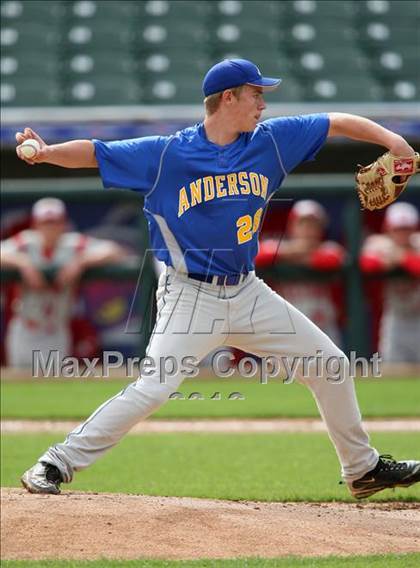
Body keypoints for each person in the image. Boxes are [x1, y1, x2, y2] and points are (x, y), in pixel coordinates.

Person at [16, 59, 419, 499]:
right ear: (229, 98)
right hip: (190, 296)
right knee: (154, 387)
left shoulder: (272, 141)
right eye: (256, 94)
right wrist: (49, 152)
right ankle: (55, 463)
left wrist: (392, 139)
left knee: (331, 366)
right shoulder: (169, 153)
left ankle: (362, 469)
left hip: (247, 291)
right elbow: (96, 152)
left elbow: (337, 122)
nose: (263, 104)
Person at [1, 197, 124, 367]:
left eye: (55, 222)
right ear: (36, 224)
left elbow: (114, 251)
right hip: (25, 329)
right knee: (20, 386)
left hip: (56, 330)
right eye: (46, 222)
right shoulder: (26, 243)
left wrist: (81, 261)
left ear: (63, 223)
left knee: (52, 386)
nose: (50, 228)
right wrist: (22, 262)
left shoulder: (72, 244)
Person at [255, 199, 345, 346]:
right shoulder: (278, 245)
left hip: (323, 329)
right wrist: (296, 251)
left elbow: (332, 259)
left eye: (313, 225)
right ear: (292, 226)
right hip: (286, 331)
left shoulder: (328, 247)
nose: (308, 229)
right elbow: (259, 255)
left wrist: (290, 257)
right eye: (303, 224)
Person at [360, 202, 420, 363]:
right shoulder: (380, 244)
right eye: (397, 229)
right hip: (395, 321)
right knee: (393, 372)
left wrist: (401, 258)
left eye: (406, 229)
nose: (402, 234)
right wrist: (387, 259)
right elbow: (367, 265)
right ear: (388, 228)